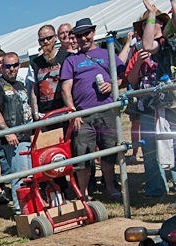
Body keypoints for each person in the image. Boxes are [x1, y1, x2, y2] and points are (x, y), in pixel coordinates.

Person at [61, 17, 125, 199]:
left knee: (109, 151)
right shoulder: (71, 61)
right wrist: (73, 112)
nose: (83, 38)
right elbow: (66, 89)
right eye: (79, 35)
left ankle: (111, 188)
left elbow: (123, 78)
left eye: (86, 34)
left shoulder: (107, 54)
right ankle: (83, 194)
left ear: (93, 32)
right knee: (83, 157)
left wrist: (113, 84)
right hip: (83, 114)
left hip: (107, 110)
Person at [140, 0, 176, 202]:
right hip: (172, 104)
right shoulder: (167, 43)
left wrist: (175, 3)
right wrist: (151, 13)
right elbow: (147, 45)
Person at [0, 51, 34, 213]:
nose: (12, 69)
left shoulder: (20, 84)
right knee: (20, 176)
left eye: (15, 65)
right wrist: (8, 132)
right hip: (14, 140)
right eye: (8, 66)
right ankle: (21, 210)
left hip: (28, 136)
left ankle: (32, 207)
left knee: (30, 175)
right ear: (2, 67)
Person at [30, 25, 70, 118]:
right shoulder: (34, 63)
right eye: (42, 39)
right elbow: (33, 91)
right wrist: (36, 114)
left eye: (49, 38)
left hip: (65, 111)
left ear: (55, 38)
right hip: (45, 115)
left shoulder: (66, 57)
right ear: (39, 42)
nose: (46, 41)